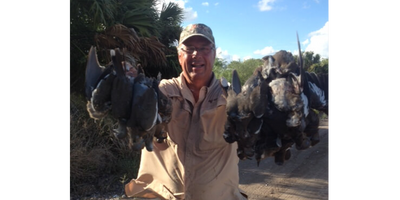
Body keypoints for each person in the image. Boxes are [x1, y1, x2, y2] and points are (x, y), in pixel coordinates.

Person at [124, 23, 248, 200]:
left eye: (204, 48)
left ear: (214, 53)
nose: (196, 54)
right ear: (179, 54)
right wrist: (127, 86)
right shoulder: (160, 93)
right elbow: (133, 113)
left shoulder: (233, 99)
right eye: (189, 48)